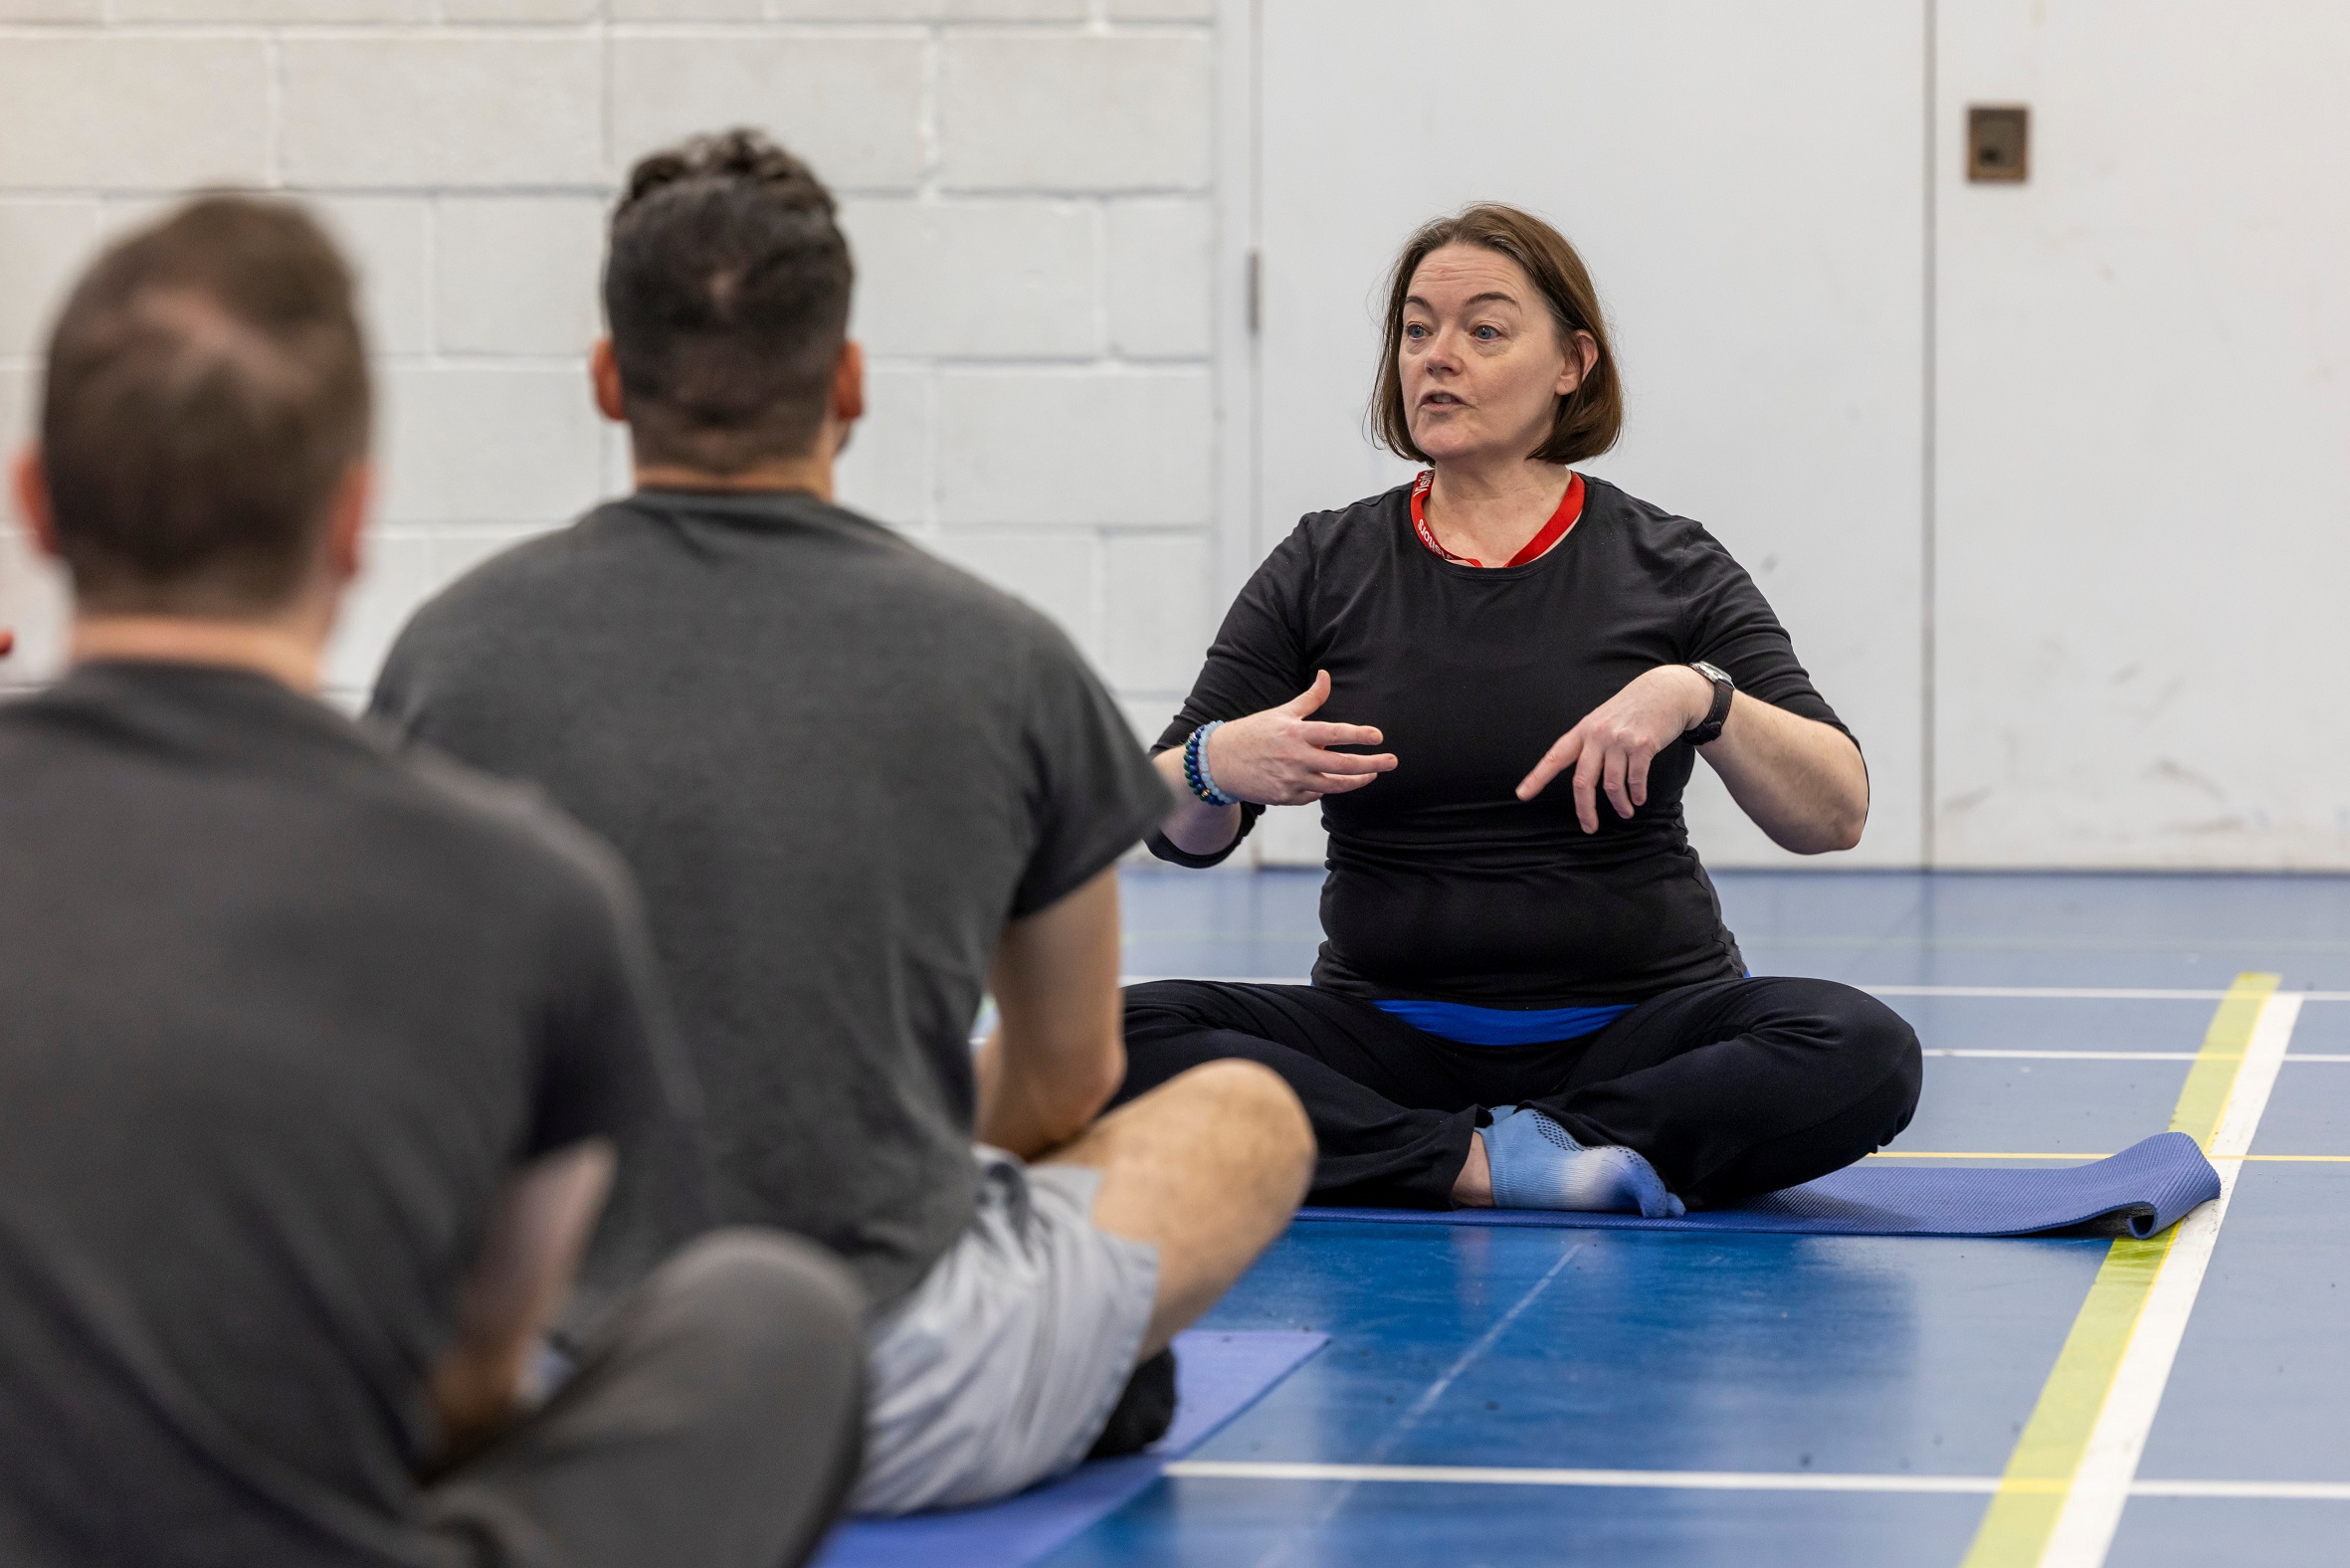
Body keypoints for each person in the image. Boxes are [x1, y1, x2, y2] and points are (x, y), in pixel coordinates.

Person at [369, 130, 1315, 1516]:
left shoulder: (447, 655)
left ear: (605, 378)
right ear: (850, 382)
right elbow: (1064, 1084)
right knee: (1244, 1120)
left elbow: (413, 1083)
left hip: (553, 1396)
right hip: (892, 1398)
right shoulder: (1008, 657)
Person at [0, 195, 866, 1568]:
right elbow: (469, 1382)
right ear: (350, 522)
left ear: (34, 502)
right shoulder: (528, 890)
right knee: (775, 1321)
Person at [1121, 203, 1921, 1219]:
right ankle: (1487, 1164)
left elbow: (1834, 810)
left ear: (1571, 363)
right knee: (1100, 1044)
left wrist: (1701, 698)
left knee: (1864, 1050)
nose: (1435, 358)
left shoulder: (1665, 565)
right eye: (1416, 330)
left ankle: (1533, 1142)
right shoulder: (1325, 564)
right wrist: (1211, 764)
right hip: (1386, 1042)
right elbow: (1164, 820)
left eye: (1481, 330)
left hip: (1637, 1033)